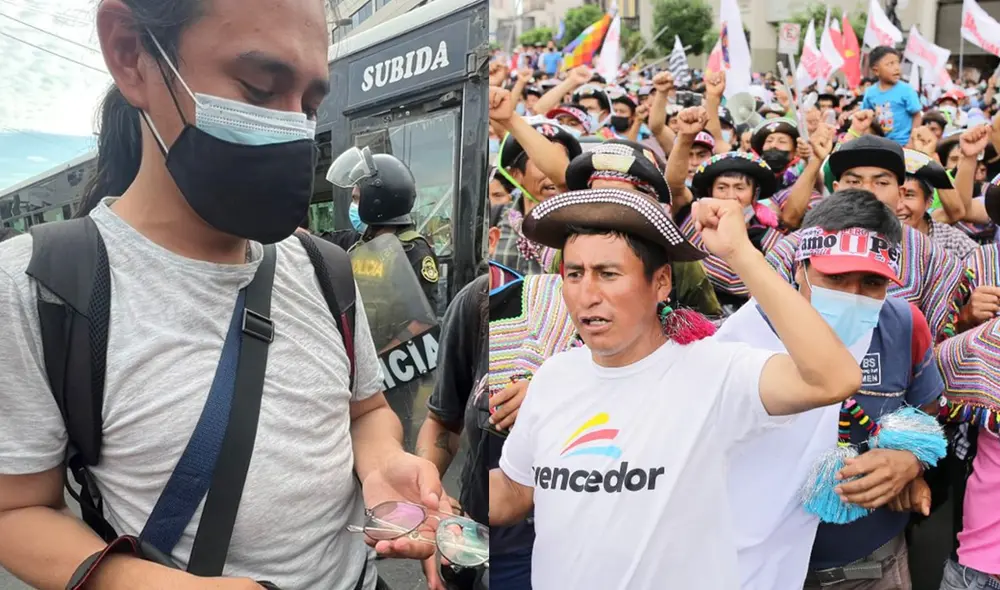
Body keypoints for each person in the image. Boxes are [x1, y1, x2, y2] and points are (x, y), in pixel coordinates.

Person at [0, 1, 444, 588]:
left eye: (310, 105)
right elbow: (17, 509)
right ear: (132, 55)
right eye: (260, 89)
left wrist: (383, 462)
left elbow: (365, 412)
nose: (294, 129)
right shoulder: (39, 286)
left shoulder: (326, 268)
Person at [489, 185, 862, 589]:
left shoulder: (716, 371)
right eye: (574, 274)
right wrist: (436, 500)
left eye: (608, 274)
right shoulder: (553, 376)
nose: (587, 295)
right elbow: (514, 488)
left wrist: (742, 254)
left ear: (661, 282)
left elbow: (834, 379)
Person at [719, 190, 944, 590]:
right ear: (802, 266)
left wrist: (911, 460)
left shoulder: (903, 323)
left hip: (867, 562)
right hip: (755, 564)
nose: (851, 296)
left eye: (872, 283)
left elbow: (926, 407)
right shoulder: (744, 335)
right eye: (835, 278)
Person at [766, 135, 965, 341]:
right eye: (853, 181)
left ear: (899, 192)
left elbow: (936, 342)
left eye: (881, 182)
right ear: (836, 189)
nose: (867, 191)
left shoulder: (931, 256)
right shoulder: (793, 249)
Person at [328, 148, 441, 313]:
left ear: (377, 202)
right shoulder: (357, 243)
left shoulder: (413, 251)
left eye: (357, 199)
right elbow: (311, 240)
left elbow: (420, 320)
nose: (352, 207)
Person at [897, 149, 978, 260]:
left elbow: (982, 268)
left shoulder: (952, 241)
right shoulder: (870, 236)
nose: (899, 206)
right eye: (894, 195)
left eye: (909, 195)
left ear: (929, 201)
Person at [862, 46, 922, 146]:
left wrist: (911, 142)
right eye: (890, 64)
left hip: (903, 144)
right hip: (880, 145)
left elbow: (917, 116)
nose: (896, 67)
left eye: (897, 63)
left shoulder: (906, 90)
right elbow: (865, 114)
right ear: (876, 71)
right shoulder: (870, 93)